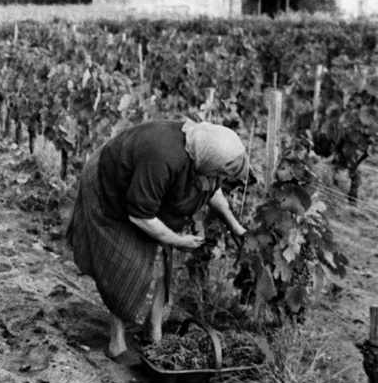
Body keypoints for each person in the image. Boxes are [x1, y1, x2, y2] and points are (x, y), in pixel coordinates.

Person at [66, 118, 250, 358]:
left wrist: (235, 227)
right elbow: (141, 216)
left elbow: (212, 189)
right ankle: (117, 343)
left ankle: (154, 336)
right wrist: (176, 240)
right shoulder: (162, 157)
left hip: (139, 195)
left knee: (160, 264)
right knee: (123, 266)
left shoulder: (201, 152)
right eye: (221, 172)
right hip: (109, 188)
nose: (221, 179)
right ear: (210, 161)